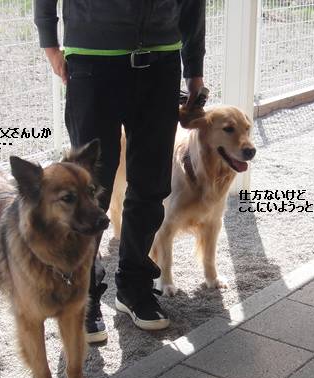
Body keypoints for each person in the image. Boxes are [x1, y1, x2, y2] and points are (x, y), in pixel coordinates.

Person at [35, 0, 206, 342]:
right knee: (90, 189)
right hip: (92, 62)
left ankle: (134, 286)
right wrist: (49, 43)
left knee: (151, 183)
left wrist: (194, 67)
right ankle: (82, 296)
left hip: (161, 63)